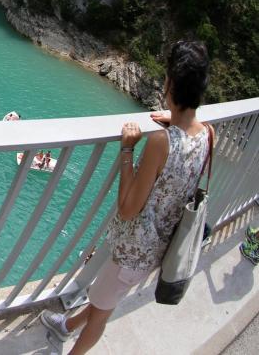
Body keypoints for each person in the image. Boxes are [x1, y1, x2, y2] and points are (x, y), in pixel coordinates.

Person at [41, 40, 214, 354]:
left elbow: (128, 208)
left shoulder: (161, 143)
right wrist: (173, 123)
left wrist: (127, 149)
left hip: (131, 252)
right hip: (160, 246)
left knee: (102, 311)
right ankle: (64, 325)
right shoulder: (207, 133)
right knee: (104, 298)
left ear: (169, 84)